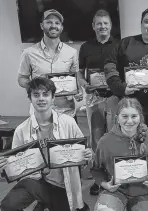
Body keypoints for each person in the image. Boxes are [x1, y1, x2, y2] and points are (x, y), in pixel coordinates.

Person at [0, 77, 92, 211]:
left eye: (45, 94)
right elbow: (16, 167)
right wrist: (5, 168)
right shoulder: (21, 130)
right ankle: (43, 202)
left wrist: (87, 155)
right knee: (7, 206)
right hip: (33, 182)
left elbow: (82, 153)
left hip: (61, 184)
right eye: (36, 95)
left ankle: (45, 204)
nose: (41, 99)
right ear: (30, 99)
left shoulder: (68, 123)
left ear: (53, 98)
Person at [105, 7, 148, 134]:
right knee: (130, 149)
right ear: (141, 24)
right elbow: (109, 65)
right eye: (147, 21)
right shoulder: (126, 43)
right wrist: (120, 87)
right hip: (130, 113)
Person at [77, 9, 119, 196]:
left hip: (113, 98)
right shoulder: (85, 47)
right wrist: (84, 84)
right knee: (96, 139)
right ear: (93, 26)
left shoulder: (120, 45)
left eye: (105, 23)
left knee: (113, 137)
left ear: (110, 25)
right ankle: (98, 179)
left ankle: (114, 175)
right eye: (99, 23)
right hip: (93, 99)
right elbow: (80, 72)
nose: (102, 26)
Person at [90, 97, 148, 211]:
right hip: (115, 191)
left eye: (134, 116)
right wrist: (105, 184)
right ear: (117, 118)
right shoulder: (105, 141)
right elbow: (96, 169)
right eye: (125, 116)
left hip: (143, 192)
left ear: (140, 117)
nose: (130, 121)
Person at [17, 9, 83, 122]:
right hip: (40, 113)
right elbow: (21, 79)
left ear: (61, 28)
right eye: (49, 22)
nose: (53, 26)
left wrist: (78, 91)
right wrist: (35, 87)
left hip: (67, 113)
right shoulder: (28, 53)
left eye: (57, 23)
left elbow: (75, 79)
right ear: (42, 25)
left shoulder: (72, 52)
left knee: (70, 140)